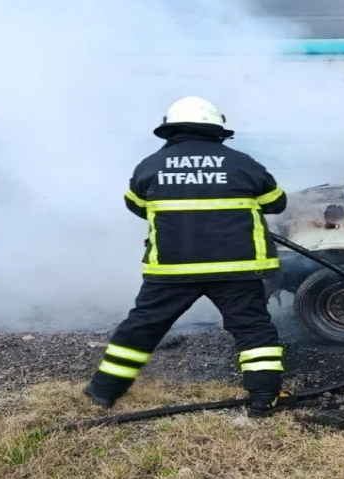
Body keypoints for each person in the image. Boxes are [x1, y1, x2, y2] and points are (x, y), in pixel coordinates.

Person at [83, 96, 294, 417]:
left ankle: (103, 391)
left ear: (171, 129)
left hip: (173, 268)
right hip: (238, 267)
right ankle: (265, 396)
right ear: (217, 130)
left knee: (142, 326)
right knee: (252, 328)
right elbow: (276, 202)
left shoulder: (150, 165)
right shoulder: (242, 163)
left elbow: (137, 206)